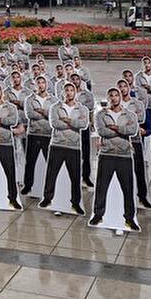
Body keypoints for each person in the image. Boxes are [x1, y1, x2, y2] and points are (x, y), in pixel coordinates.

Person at [90, 88, 140, 231]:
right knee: (101, 186)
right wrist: (122, 130)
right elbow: (102, 131)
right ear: (108, 97)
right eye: (111, 95)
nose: (114, 97)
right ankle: (98, 214)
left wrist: (115, 128)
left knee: (128, 188)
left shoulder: (130, 114)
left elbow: (133, 130)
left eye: (116, 95)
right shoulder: (101, 114)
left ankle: (130, 218)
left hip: (124, 155)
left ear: (120, 97)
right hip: (107, 154)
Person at [40, 82, 88, 215]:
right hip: (57, 144)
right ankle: (47, 198)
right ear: (63, 92)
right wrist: (73, 124)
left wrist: (67, 121)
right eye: (67, 90)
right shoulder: (55, 107)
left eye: (72, 90)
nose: (69, 92)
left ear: (75, 92)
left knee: (75, 176)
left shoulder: (82, 109)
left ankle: (76, 203)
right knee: (51, 173)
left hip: (74, 146)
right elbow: (55, 123)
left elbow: (83, 124)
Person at [118, 78, 151, 209]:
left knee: (139, 171)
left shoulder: (138, 105)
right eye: (119, 86)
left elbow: (149, 127)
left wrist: (145, 131)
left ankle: (142, 197)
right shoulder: (114, 105)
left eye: (124, 86)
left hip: (136, 142)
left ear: (129, 88)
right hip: (121, 143)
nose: (122, 89)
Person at [22, 75, 55, 196]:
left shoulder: (53, 100)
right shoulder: (29, 99)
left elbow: (54, 116)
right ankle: (28, 185)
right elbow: (30, 114)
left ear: (46, 85)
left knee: (50, 163)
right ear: (35, 85)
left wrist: (43, 112)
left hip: (47, 134)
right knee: (30, 161)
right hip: (33, 133)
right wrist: (46, 115)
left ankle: (50, 188)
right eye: (38, 83)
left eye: (43, 82)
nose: (41, 85)